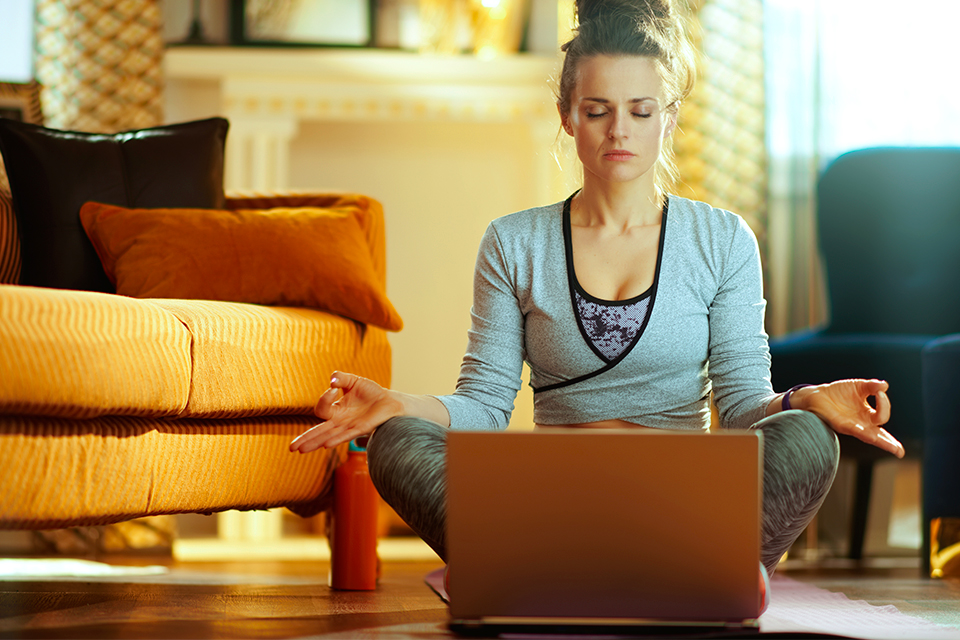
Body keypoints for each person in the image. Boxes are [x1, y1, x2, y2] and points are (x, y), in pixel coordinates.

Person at [291, 0, 904, 579]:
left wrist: (804, 399)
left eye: (641, 111)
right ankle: (648, 573)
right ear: (567, 116)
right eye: (597, 111)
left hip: (683, 502)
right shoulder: (513, 242)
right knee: (397, 441)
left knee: (808, 438)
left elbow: (743, 406)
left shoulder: (723, 240)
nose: (619, 132)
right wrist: (395, 403)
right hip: (556, 501)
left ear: (668, 117)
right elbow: (484, 406)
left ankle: (626, 569)